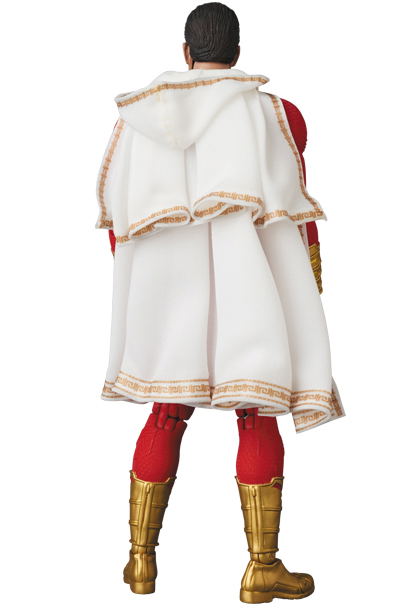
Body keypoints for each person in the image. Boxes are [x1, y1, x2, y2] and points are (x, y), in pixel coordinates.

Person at [96, 2, 345, 602]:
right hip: (252, 284)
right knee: (256, 411)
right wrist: (310, 278)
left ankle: (140, 563)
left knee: (165, 413)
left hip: (166, 290)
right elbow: (295, 208)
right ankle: (262, 568)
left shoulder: (138, 117)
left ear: (186, 52)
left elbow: (121, 219)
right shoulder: (279, 114)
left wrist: (143, 290)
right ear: (237, 52)